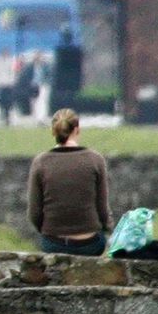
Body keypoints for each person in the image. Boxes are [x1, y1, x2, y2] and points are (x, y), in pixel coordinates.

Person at [28, 108, 111, 256]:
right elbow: (102, 210)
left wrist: (47, 229)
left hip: (53, 242)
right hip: (89, 243)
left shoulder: (41, 162)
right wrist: (107, 228)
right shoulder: (95, 160)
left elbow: (34, 212)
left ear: (54, 132)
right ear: (77, 130)